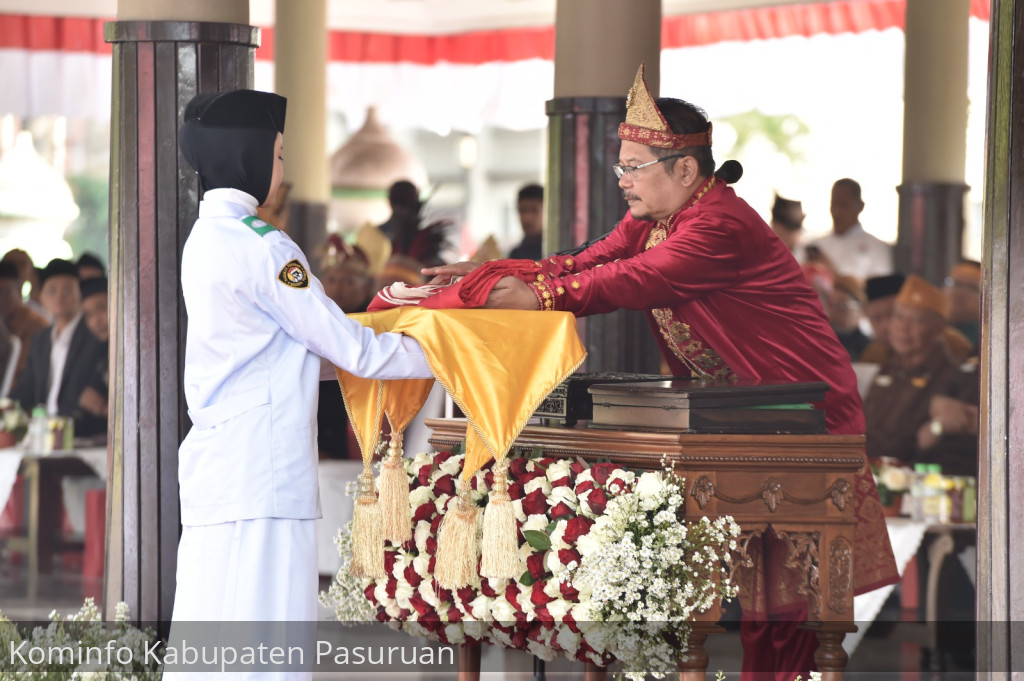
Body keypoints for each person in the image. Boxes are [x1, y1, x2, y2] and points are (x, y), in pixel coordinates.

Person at [424, 64, 898, 680]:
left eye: (632, 167)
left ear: (683, 169)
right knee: (757, 596)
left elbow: (631, 280)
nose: (621, 180)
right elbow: (586, 259)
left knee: (789, 606)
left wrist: (539, 297)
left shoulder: (719, 224)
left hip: (801, 417)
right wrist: (486, 272)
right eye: (620, 167)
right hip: (736, 414)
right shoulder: (654, 218)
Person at [171, 89, 433, 656]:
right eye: (280, 154)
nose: (281, 170)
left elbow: (281, 355)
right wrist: (445, 352)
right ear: (252, 155)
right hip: (262, 470)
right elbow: (351, 350)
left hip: (222, 466)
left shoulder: (204, 238)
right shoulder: (267, 247)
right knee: (268, 639)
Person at [862, 275, 978, 475]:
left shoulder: (954, 378)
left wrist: (935, 428)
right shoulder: (888, 367)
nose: (903, 328)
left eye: (916, 320)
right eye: (898, 317)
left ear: (940, 329)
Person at [10, 259, 106, 436]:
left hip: (82, 432)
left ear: (80, 294)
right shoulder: (41, 339)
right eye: (52, 290)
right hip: (43, 431)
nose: (60, 297)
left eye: (68, 290)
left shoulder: (94, 333)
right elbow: (26, 388)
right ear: (41, 297)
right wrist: (7, 407)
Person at [860, 272, 974, 365]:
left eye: (893, 315)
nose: (885, 325)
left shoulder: (953, 345)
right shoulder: (873, 355)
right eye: (876, 319)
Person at [804, 179, 893, 281]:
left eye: (843, 205)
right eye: (834, 204)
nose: (837, 212)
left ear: (860, 206)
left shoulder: (877, 247)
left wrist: (832, 274)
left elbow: (878, 290)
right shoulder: (815, 245)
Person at [0, 260, 49, 386]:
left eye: (5, 291)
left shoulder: (37, 325)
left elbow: (23, 377)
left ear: (19, 290)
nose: (1, 299)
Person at [76, 277, 109, 432]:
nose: (96, 321)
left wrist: (103, 408)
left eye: (102, 308)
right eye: (88, 315)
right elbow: (88, 400)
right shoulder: (98, 352)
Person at [828, 275, 870, 361]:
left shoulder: (869, 348)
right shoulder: (819, 339)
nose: (833, 311)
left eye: (842, 306)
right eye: (831, 304)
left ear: (862, 310)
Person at [944, 259, 981, 351]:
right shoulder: (925, 325)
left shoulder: (984, 338)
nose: (960, 292)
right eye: (956, 283)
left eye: (972, 288)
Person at [509, 183, 544, 260]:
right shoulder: (515, 255)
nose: (527, 218)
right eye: (523, 210)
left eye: (534, 210)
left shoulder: (556, 252)